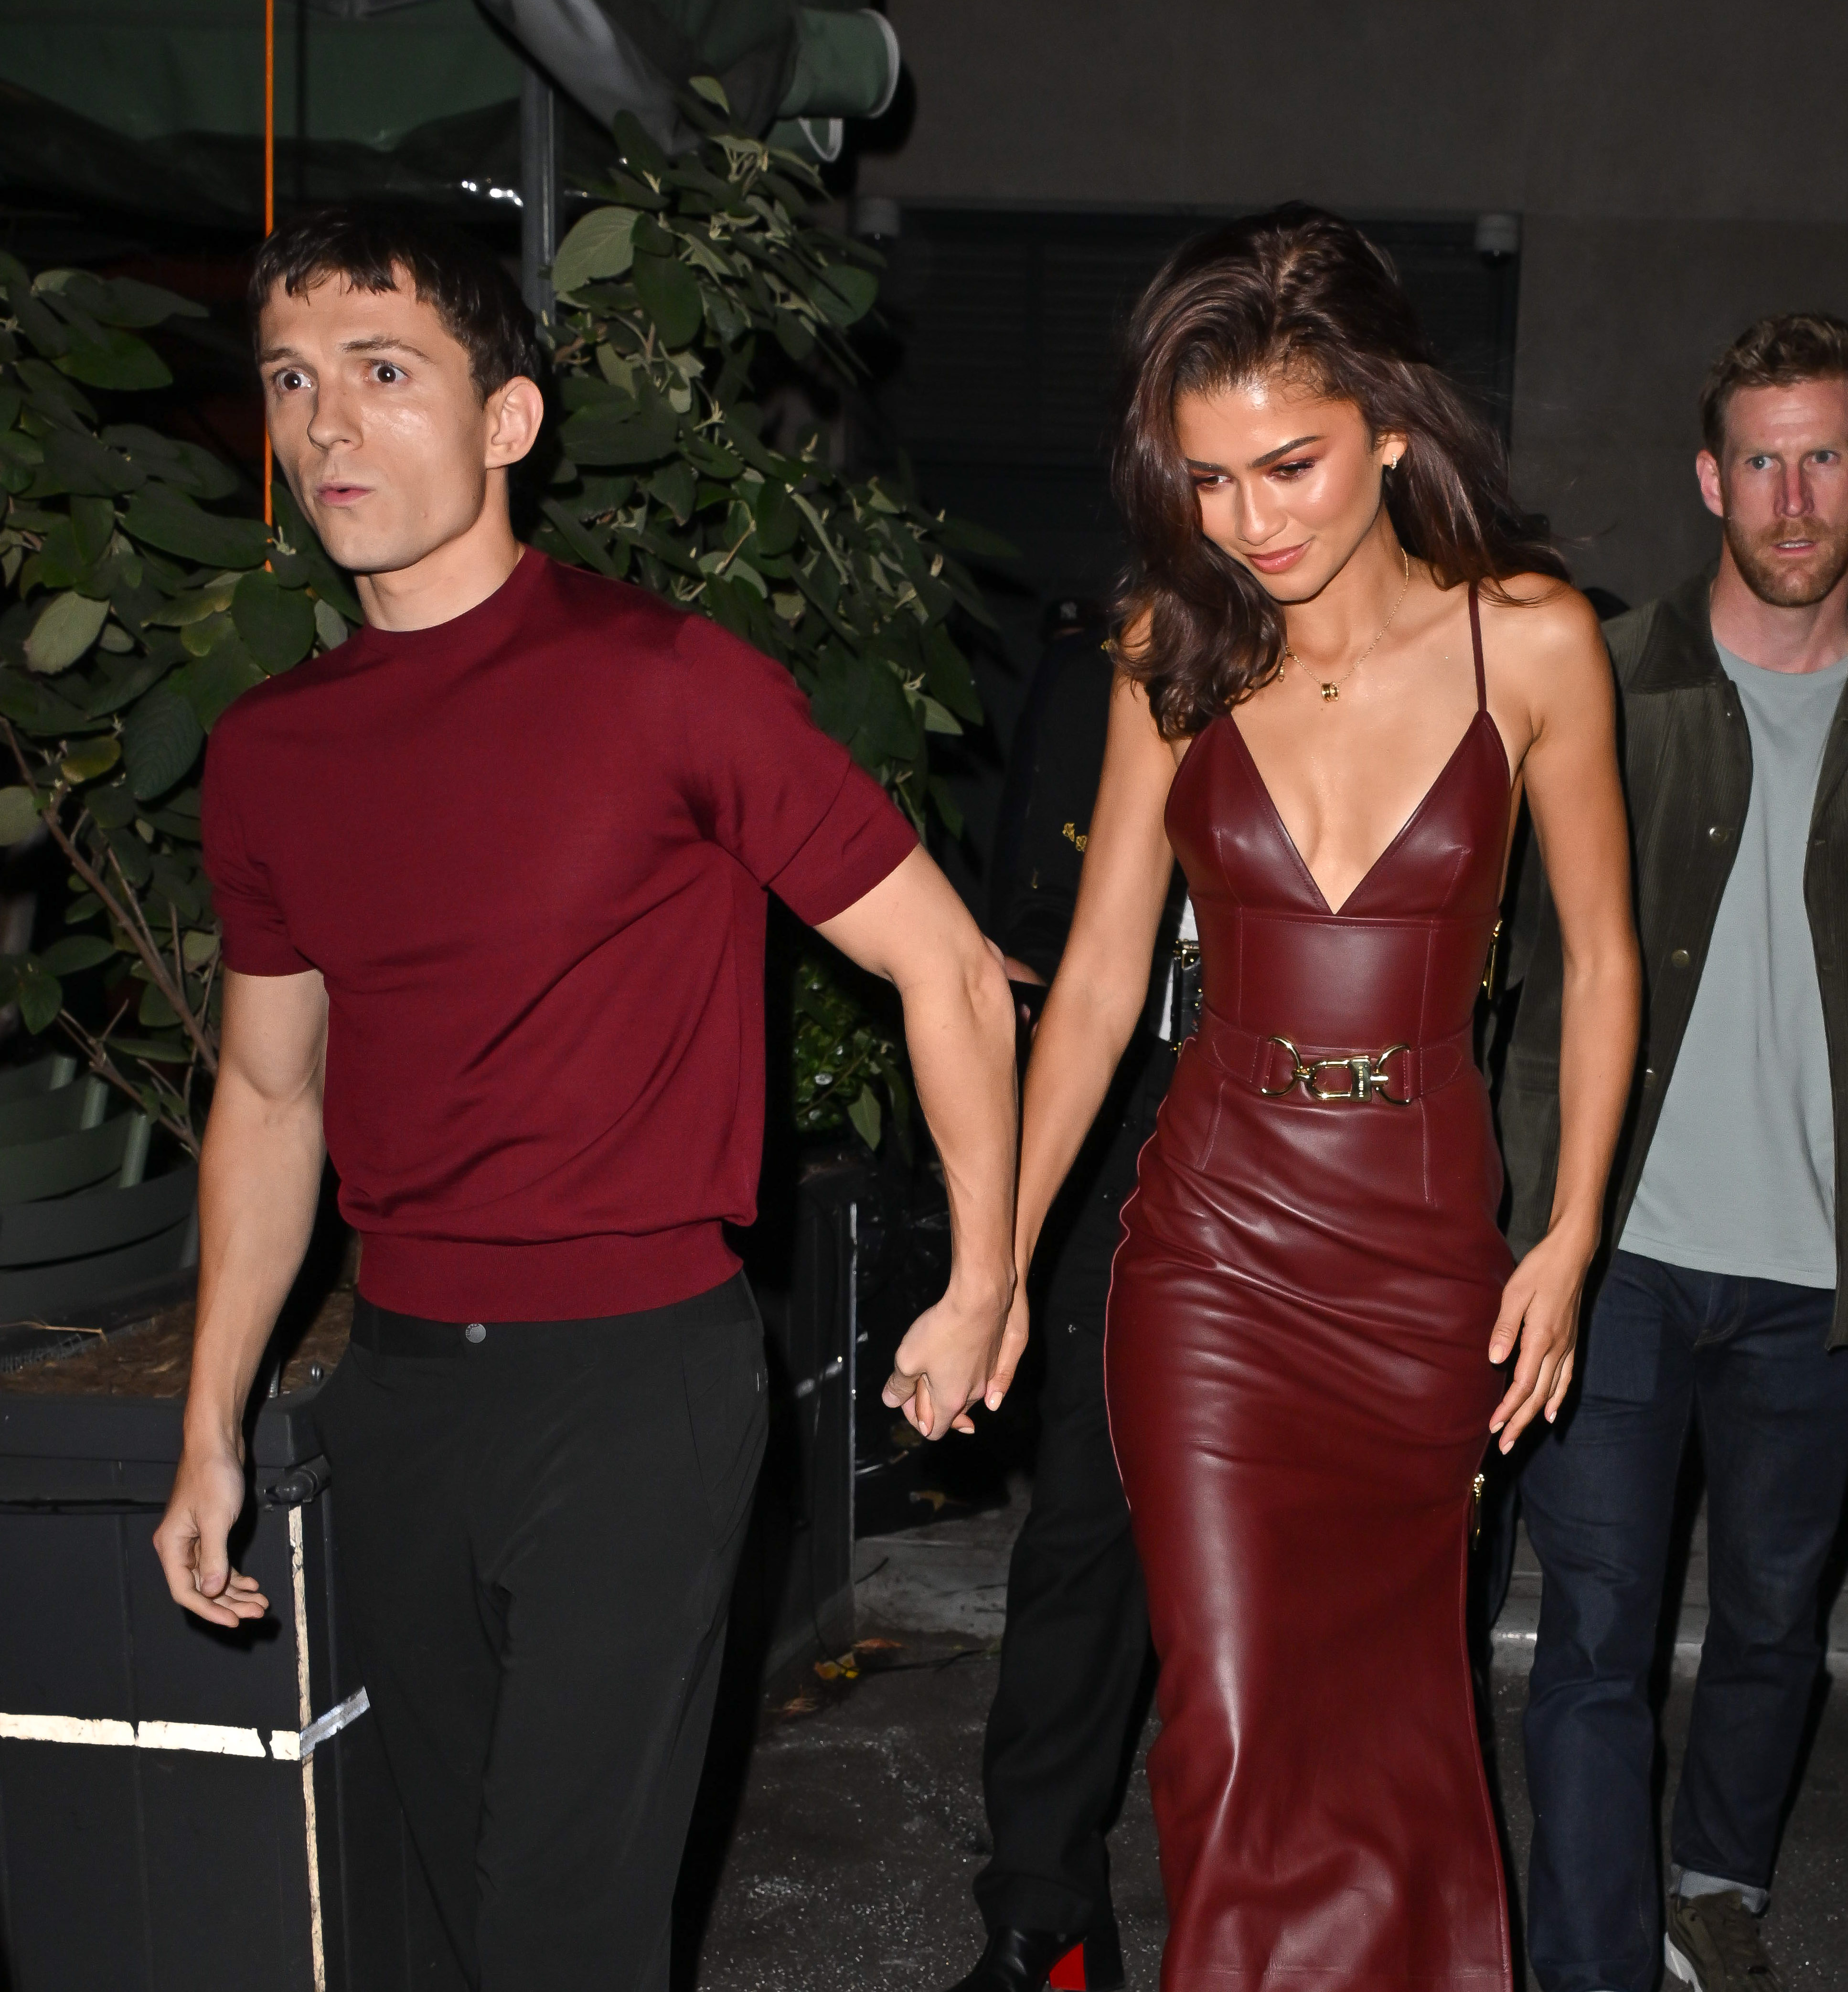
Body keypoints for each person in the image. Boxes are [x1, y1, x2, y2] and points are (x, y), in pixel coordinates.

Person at [150, 205, 1018, 1992]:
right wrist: (212, 1415)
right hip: (397, 1393)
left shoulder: (667, 683)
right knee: (471, 1910)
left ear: (510, 423)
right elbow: (267, 1090)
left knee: (562, 1931)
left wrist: (984, 1269)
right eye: (293, 383)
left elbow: (944, 964)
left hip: (636, 1385)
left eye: (386, 375)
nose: (327, 426)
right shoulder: (272, 752)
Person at [993, 205, 1639, 1988]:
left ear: (1393, 428)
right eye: (1207, 480)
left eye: (1289, 465)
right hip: (1209, 1238)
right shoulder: (1172, 650)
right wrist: (998, 1258)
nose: (1251, 520)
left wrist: (1572, 1229)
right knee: (1229, 1711)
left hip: (1425, 1239)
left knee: (1401, 1719)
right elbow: (1108, 983)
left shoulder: (1534, 643)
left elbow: (1602, 957)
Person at [1506, 313, 1848, 1992]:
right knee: (1595, 1638)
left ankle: (1716, 1880)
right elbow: (1516, 972)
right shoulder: (1610, 678)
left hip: (1820, 1281)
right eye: (1765, 458)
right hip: (1616, 1247)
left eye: (1828, 454)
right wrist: (1521, 1227)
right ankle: (1592, 1965)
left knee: (1778, 1625)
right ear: (1712, 477)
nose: (1795, 496)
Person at [942, 622, 1182, 1992]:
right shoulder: (1118, 656)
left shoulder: (1422, 640)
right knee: (1086, 1527)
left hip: (1328, 1133)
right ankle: (1043, 1910)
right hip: (1121, 1113)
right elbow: (1044, 896)